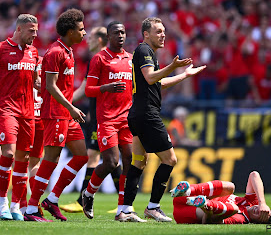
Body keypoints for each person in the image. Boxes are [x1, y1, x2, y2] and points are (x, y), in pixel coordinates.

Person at [117, 17, 206, 222]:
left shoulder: (147, 54)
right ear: (146, 34)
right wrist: (173, 67)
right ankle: (153, 207)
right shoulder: (144, 51)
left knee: (138, 163)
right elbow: (150, 78)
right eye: (158, 31)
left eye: (164, 30)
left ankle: (125, 209)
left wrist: (184, 75)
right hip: (147, 114)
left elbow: (158, 83)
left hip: (137, 113)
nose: (163, 34)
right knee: (170, 159)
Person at [24, 8, 88, 222]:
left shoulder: (68, 51)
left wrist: (70, 109)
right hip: (55, 114)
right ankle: (32, 209)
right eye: (81, 29)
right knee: (50, 159)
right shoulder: (55, 53)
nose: (84, 32)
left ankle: (51, 199)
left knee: (82, 156)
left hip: (67, 114)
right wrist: (71, 107)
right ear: (70, 32)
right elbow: (50, 86)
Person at [60, 26, 122, 213]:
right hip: (99, 114)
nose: (87, 39)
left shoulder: (102, 59)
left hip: (105, 117)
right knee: (106, 158)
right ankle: (124, 202)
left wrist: (63, 101)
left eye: (92, 37)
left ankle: (84, 200)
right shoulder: (101, 58)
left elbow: (86, 88)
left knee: (101, 157)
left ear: (101, 39)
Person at [81, 21, 133, 220]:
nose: (120, 35)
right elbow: (88, 90)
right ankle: (88, 193)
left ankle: (123, 209)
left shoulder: (131, 59)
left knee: (128, 161)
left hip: (127, 118)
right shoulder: (99, 59)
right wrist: (106, 87)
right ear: (108, 36)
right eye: (116, 32)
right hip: (107, 119)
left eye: (123, 32)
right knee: (111, 162)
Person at [0, 14, 39, 220]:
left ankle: (15, 206)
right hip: (6, 109)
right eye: (31, 30)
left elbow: (35, 81)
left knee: (23, 158)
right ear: (19, 30)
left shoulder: (33, 52)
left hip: (28, 112)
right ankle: (2, 202)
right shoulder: (2, 49)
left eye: (36, 30)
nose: (35, 34)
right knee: (8, 152)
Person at [171, 171, 271, 224]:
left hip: (187, 212)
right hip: (183, 198)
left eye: (261, 215)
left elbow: (208, 222)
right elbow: (254, 175)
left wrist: (206, 209)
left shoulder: (240, 219)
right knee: (230, 187)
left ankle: (204, 202)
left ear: (257, 221)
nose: (259, 211)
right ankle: (188, 190)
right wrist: (262, 202)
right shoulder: (252, 202)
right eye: (263, 210)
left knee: (234, 209)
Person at [11, 56, 44, 218]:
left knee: (20, 161)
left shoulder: (20, 65)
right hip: (39, 117)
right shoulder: (46, 63)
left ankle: (22, 204)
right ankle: (30, 204)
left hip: (26, 117)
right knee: (32, 163)